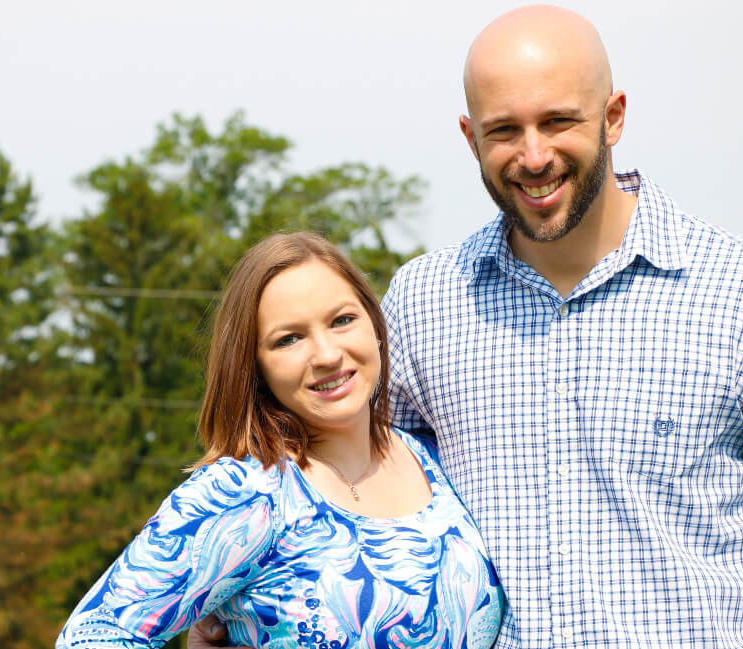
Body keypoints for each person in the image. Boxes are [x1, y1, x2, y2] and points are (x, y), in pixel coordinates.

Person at [193, 5, 743, 648]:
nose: (534, 154)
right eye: (504, 130)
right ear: (470, 136)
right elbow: (340, 483)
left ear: (613, 117)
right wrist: (238, 597)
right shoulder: (423, 303)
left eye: (559, 121)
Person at [55, 232, 504, 648]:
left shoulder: (432, 457)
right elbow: (94, 635)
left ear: (375, 325)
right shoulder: (243, 492)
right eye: (288, 339)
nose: (327, 355)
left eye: (342, 320)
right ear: (255, 366)